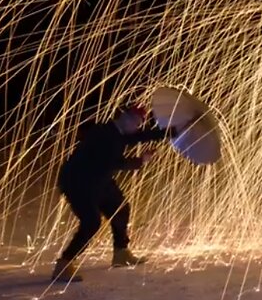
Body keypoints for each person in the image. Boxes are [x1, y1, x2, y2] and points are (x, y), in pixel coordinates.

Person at [51, 104, 184, 282]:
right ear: (126, 119)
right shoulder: (106, 135)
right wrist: (140, 161)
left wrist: (171, 132)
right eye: (137, 122)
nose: (138, 127)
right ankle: (64, 264)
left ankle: (121, 253)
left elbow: (139, 137)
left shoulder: (115, 132)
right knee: (91, 222)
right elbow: (114, 162)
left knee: (120, 208)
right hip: (78, 183)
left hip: (98, 179)